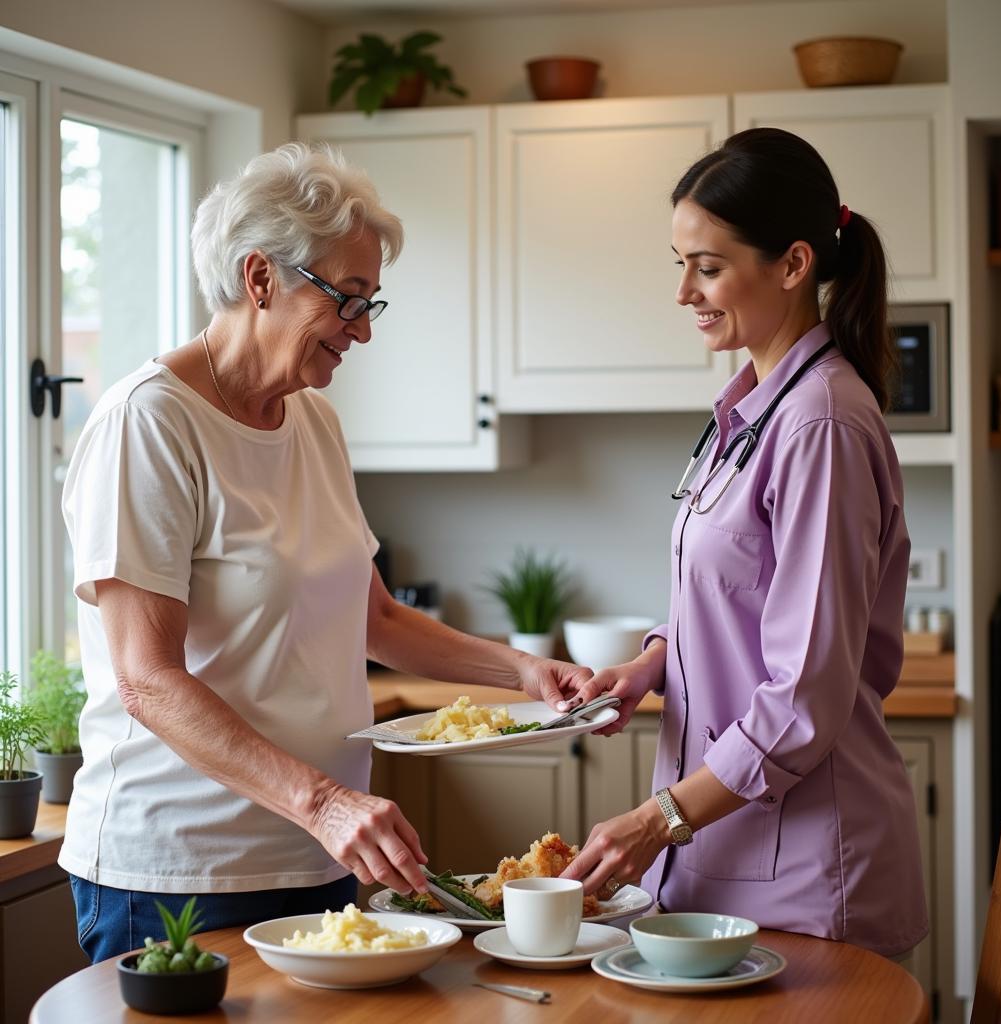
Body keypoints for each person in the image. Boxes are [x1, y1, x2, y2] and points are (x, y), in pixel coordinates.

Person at [60, 142, 592, 962]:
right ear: (259, 277)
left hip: (318, 857)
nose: (362, 333)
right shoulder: (150, 424)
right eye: (347, 300)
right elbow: (147, 681)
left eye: (372, 304)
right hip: (178, 870)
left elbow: (371, 615)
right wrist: (324, 803)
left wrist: (519, 671)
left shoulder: (312, 419)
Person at [559, 127, 928, 957]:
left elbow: (803, 694)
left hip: (804, 869)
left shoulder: (820, 423)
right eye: (680, 263)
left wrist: (659, 820)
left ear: (794, 264)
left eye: (710, 266)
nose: (685, 290)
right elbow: (733, 598)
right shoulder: (751, 410)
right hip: (725, 855)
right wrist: (653, 663)